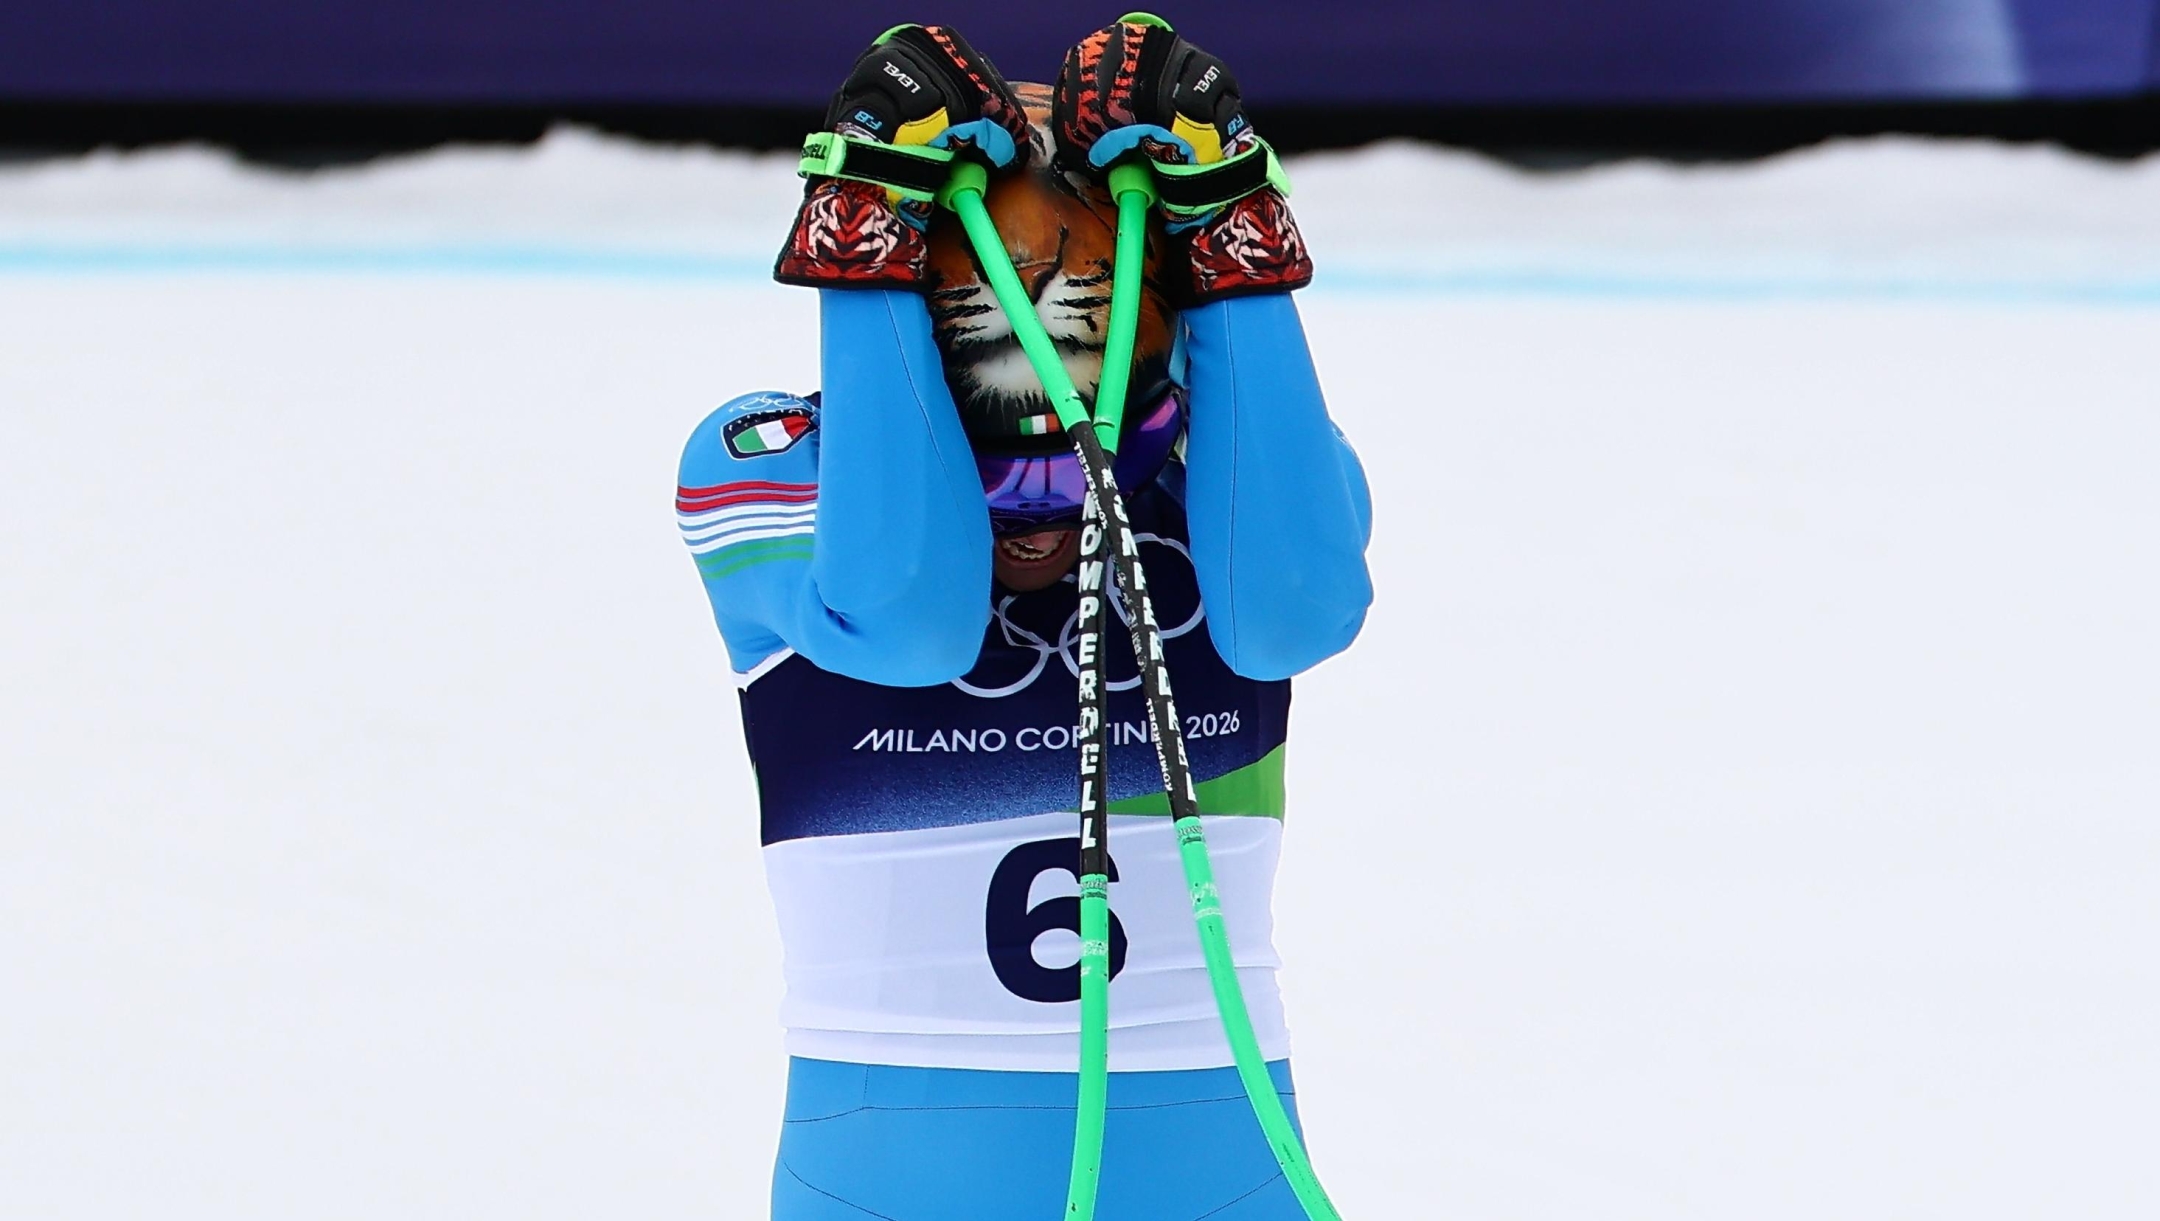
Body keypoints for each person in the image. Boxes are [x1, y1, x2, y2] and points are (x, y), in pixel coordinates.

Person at [677, 18, 1372, 1218]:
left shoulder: (1225, 471)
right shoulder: (768, 461)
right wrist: (863, 216)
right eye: (985, 316)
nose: (1034, 515)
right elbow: (907, 620)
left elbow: (1294, 612)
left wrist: (1232, 212)